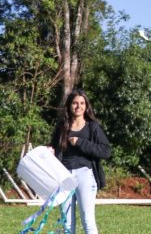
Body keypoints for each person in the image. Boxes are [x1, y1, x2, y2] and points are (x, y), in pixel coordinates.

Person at [49, 90, 111, 234]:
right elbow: (54, 147)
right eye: (75, 103)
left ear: (86, 106)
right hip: (64, 177)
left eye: (82, 103)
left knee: (88, 222)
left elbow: (106, 150)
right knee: (67, 224)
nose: (78, 106)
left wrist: (81, 142)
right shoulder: (61, 127)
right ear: (69, 105)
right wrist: (50, 149)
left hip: (85, 175)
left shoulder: (92, 126)